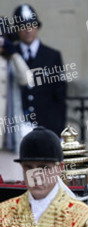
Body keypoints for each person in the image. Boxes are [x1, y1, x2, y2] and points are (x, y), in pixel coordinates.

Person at [13, 4, 67, 135]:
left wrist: (58, 128)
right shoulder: (12, 55)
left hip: (47, 126)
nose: (28, 30)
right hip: (19, 126)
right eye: (23, 26)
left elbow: (60, 94)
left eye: (31, 25)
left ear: (37, 26)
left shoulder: (52, 56)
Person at [0, 34, 30, 181]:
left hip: (9, 133)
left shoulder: (12, 60)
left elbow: (27, 79)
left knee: (12, 180)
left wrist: (14, 55)